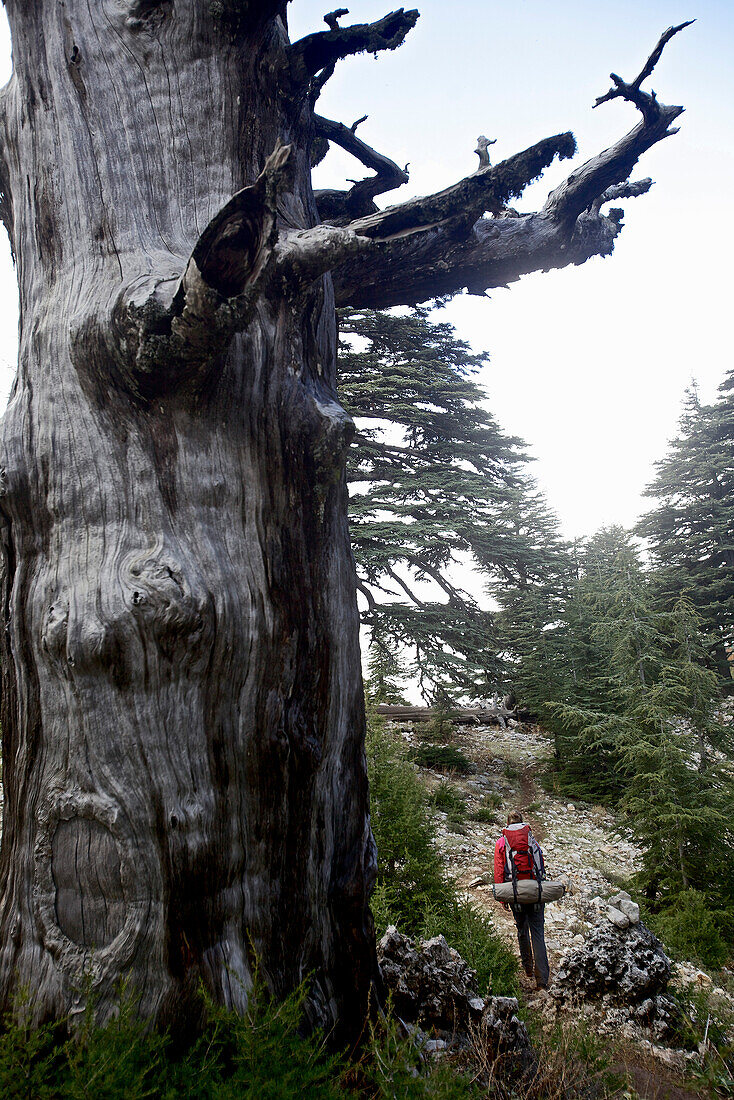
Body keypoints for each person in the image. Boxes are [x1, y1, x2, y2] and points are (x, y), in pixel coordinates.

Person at [494, 810, 550, 990]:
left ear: (507, 823)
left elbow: (499, 871)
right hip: (534, 890)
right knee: (538, 933)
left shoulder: (502, 842)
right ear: (522, 822)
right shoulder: (531, 839)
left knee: (522, 929)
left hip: (515, 892)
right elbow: (540, 864)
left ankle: (527, 967)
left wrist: (503, 898)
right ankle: (542, 979)